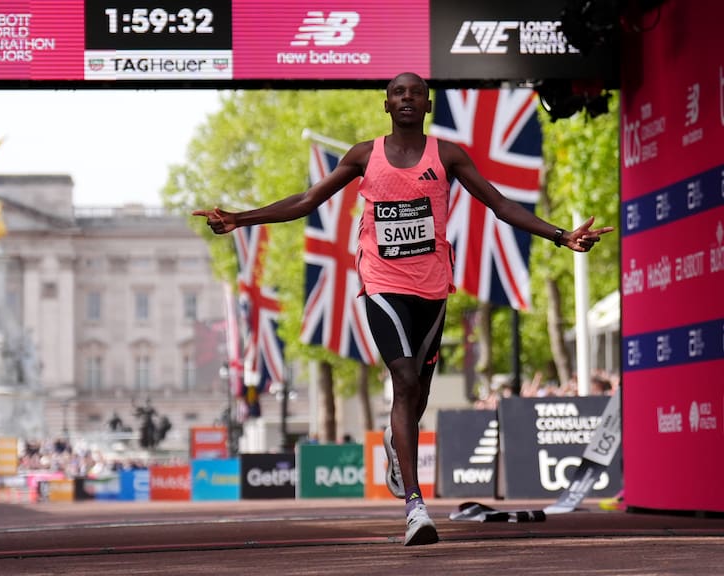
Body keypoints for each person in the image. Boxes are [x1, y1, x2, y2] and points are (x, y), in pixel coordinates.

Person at [193, 72, 614, 546]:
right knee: (405, 380)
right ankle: (415, 506)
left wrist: (561, 235)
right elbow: (309, 200)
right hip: (382, 283)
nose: (407, 98)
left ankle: (400, 443)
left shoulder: (448, 156)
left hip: (433, 289)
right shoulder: (363, 156)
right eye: (398, 93)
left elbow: (499, 205)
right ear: (386, 105)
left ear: (428, 105)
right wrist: (240, 219)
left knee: (418, 397)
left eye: (415, 92)